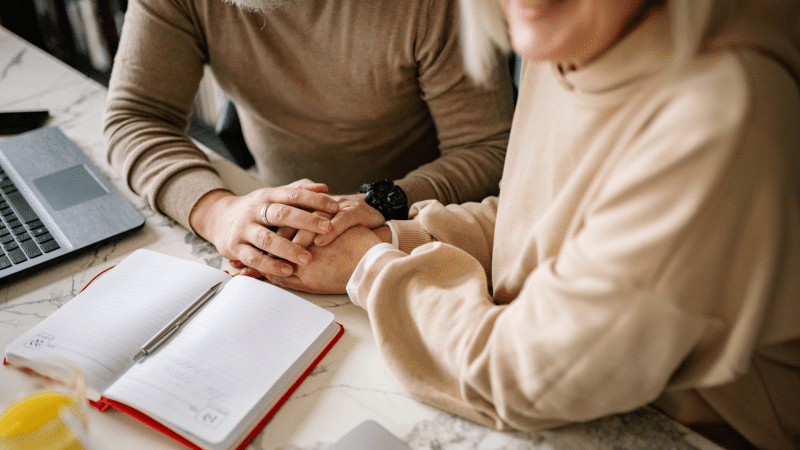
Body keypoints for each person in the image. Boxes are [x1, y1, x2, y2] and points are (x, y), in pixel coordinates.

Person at [273, 0, 800, 448]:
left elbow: (522, 375)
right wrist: (393, 235)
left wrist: (368, 267)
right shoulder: (575, 37)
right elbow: (538, 220)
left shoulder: (718, 109)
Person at [102, 0, 514, 278]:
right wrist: (219, 213)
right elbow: (136, 116)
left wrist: (382, 203)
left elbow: (487, 149)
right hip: (272, 217)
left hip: (414, 228)